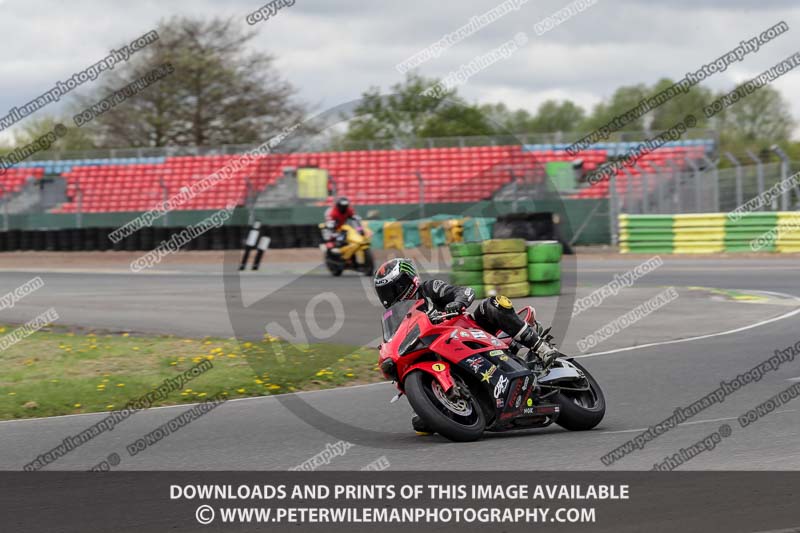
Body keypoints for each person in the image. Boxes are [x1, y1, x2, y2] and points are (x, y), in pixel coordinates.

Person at [373, 258, 560, 433]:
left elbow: (465, 291)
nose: (392, 295)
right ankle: (447, 399)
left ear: (408, 280)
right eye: (386, 292)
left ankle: (540, 347)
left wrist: (457, 302)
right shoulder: (396, 318)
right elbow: (393, 340)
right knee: (421, 424)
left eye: (395, 287)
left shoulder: (429, 289)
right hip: (439, 351)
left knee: (492, 304)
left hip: (469, 332)